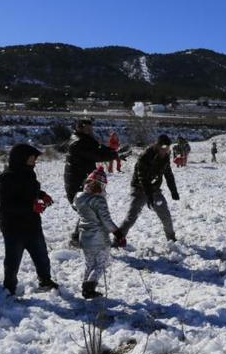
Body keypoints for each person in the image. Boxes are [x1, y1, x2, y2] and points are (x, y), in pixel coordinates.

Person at [0, 143, 59, 296]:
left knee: (41, 255)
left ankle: (45, 280)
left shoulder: (29, 174)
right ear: (21, 158)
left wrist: (41, 195)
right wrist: (31, 207)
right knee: (13, 261)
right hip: (13, 227)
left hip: (32, 224)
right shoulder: (6, 178)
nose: (35, 161)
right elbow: (5, 206)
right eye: (32, 158)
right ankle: (9, 288)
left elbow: (29, 190)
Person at [115, 134, 180, 245]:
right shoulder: (146, 156)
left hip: (155, 189)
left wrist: (173, 190)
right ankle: (117, 240)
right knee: (131, 217)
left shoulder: (165, 156)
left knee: (166, 215)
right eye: (163, 148)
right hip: (139, 188)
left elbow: (168, 174)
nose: (166, 151)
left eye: (168, 148)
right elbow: (142, 178)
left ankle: (171, 238)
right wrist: (148, 195)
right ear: (157, 146)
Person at [64, 119, 119, 246]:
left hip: (83, 180)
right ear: (79, 128)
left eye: (91, 128)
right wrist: (113, 155)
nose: (91, 131)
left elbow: (98, 148)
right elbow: (96, 154)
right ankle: (78, 238)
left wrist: (113, 152)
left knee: (88, 208)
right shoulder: (78, 142)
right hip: (77, 182)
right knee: (88, 208)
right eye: (88, 129)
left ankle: (78, 238)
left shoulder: (85, 139)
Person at [74, 167, 119, 299]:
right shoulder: (99, 200)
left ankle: (86, 288)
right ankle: (89, 288)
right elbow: (106, 220)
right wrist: (118, 234)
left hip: (85, 237)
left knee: (89, 264)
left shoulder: (78, 197)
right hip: (99, 238)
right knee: (101, 264)